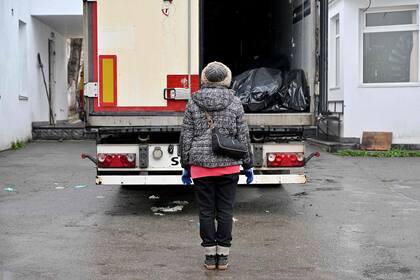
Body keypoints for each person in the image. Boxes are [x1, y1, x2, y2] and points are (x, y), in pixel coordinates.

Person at [179, 61, 254, 270]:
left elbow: (186, 136)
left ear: (205, 78)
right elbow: (243, 136)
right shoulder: (235, 102)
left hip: (200, 167)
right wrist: (247, 164)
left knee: (206, 212)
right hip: (229, 166)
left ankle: (210, 257)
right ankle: (224, 256)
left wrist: (186, 164)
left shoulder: (193, 102)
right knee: (225, 211)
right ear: (226, 78)